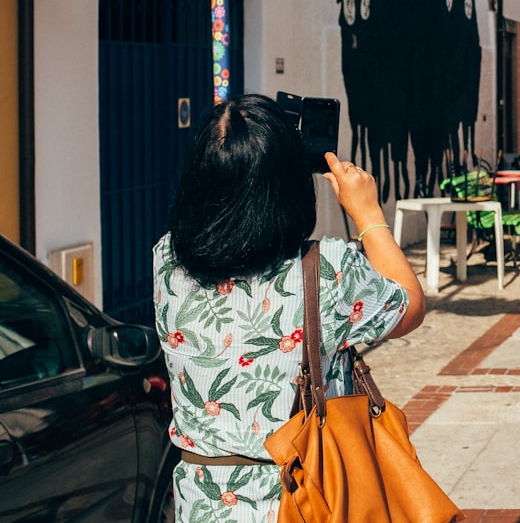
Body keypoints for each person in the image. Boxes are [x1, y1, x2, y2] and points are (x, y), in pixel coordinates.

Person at [153, 94, 425, 523]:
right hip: (301, 501)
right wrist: (368, 214)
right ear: (290, 184)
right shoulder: (325, 270)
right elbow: (408, 306)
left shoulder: (166, 260)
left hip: (202, 503)